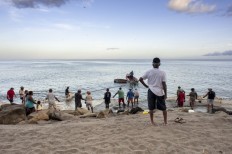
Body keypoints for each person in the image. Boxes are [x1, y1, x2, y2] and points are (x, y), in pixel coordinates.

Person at [139, 57, 167, 125]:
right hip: (159, 92)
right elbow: (164, 84)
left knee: (151, 108)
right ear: (159, 64)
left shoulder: (149, 71)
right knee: (163, 108)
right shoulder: (163, 72)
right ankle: (165, 122)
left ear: (152, 64)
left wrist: (146, 86)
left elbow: (140, 79)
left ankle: (152, 122)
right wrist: (166, 94)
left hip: (151, 90)